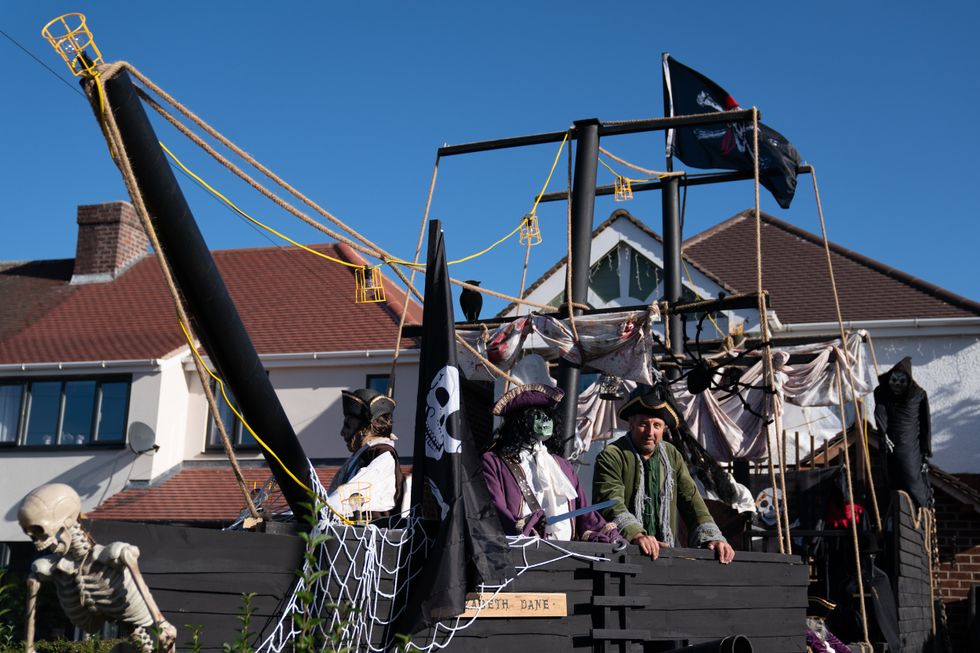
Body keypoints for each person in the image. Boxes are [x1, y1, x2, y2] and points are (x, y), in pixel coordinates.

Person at [593, 386, 735, 563]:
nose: (650, 432)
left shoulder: (671, 455)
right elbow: (610, 502)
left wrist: (713, 537)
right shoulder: (613, 454)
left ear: (664, 429)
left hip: (666, 553)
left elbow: (692, 500)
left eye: (657, 425)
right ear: (631, 424)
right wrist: (637, 534)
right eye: (644, 424)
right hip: (623, 552)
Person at [482, 369, 624, 544]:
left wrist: (609, 535)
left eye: (548, 416)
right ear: (519, 421)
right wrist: (527, 525)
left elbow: (585, 513)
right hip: (521, 554)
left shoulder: (562, 465)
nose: (545, 421)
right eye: (537, 416)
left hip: (565, 555)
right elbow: (495, 509)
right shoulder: (494, 462)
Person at [326, 388, 403, 520]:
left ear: (366, 429)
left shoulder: (383, 456)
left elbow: (350, 496)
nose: (342, 432)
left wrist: (318, 512)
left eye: (348, 426)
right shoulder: (359, 457)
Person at [873, 357, 932, 508]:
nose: (897, 385)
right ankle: (895, 511)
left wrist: (925, 450)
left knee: (911, 475)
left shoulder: (918, 394)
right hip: (889, 443)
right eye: (894, 380)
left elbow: (925, 424)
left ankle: (921, 507)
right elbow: (880, 413)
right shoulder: (882, 392)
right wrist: (883, 434)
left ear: (908, 381)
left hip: (909, 443)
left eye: (901, 381)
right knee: (891, 477)